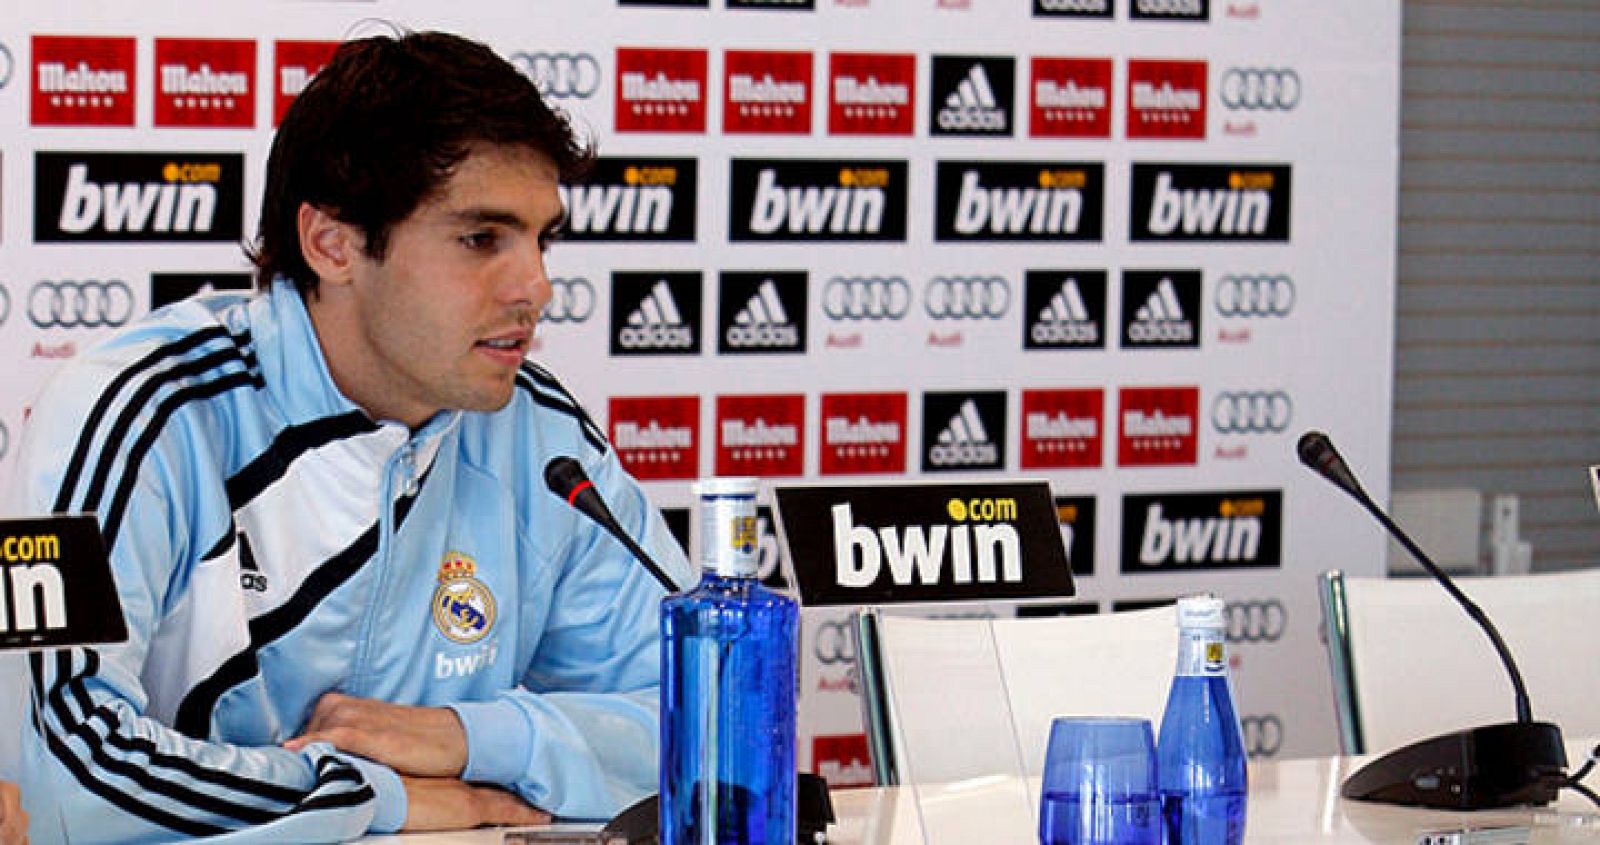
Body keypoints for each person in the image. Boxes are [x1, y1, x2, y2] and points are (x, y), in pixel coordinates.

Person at [8, 31, 693, 844]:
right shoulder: (140, 411)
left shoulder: (538, 434)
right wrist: (374, 798)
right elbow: (61, 773)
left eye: (542, 240)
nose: (536, 287)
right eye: (481, 239)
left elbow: (708, 723)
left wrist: (471, 736)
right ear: (332, 243)